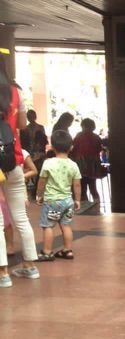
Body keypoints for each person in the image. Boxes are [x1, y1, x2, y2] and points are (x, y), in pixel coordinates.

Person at [0, 49, 39, 288]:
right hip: (12, 160)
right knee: (21, 217)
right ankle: (30, 266)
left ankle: (3, 273)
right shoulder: (15, 92)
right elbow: (23, 125)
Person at [35, 129, 81, 261]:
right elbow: (77, 185)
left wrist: (39, 195)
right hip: (68, 202)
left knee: (48, 226)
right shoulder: (73, 165)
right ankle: (67, 250)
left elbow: (42, 182)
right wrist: (77, 200)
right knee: (66, 225)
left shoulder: (48, 163)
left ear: (52, 147)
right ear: (71, 147)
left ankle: (47, 252)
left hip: (53, 202)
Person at [70, 118, 104, 203]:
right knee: (93, 187)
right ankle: (97, 205)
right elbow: (99, 149)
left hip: (81, 165)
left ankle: (85, 205)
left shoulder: (79, 136)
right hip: (93, 166)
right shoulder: (96, 137)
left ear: (83, 126)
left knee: (83, 187)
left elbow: (74, 148)